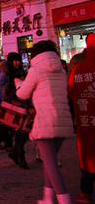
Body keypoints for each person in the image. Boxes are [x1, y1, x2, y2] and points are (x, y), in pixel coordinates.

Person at [17, 41, 73, 204]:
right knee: (51, 162)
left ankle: (64, 200)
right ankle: (48, 198)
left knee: (52, 165)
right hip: (63, 119)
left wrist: (19, 85)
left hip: (45, 121)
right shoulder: (61, 71)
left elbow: (23, 94)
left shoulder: (36, 70)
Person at [69, 35, 95, 204]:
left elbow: (70, 93)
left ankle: (85, 193)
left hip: (86, 123)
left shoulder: (77, 70)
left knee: (88, 159)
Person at [1, 52, 30, 169]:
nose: (17, 63)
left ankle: (15, 153)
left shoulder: (22, 72)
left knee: (23, 133)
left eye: (18, 60)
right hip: (12, 106)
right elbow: (1, 89)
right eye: (15, 60)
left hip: (23, 105)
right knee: (19, 132)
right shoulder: (6, 75)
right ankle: (20, 157)